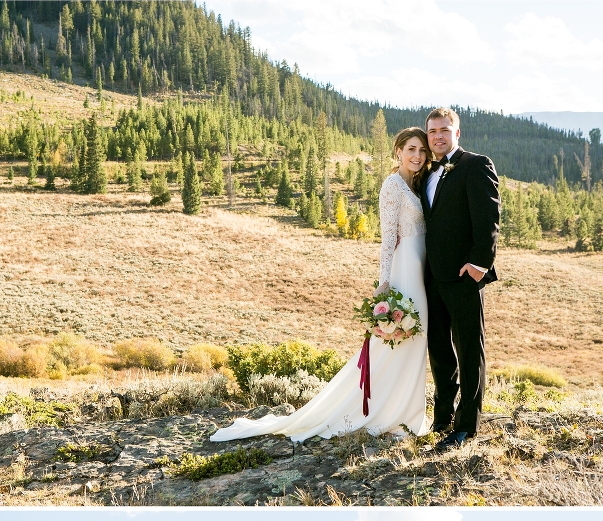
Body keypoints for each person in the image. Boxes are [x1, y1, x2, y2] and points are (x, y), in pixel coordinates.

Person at [209, 129, 432, 445]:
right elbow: (386, 239)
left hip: (422, 267)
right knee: (402, 339)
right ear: (398, 151)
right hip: (405, 268)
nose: (418, 156)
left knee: (415, 342)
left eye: (422, 150)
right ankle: (387, 415)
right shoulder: (393, 185)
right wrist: (384, 283)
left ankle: (406, 413)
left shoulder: (417, 183)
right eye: (411, 149)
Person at [421, 108, 500, 450]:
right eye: (432, 131)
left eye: (444, 130)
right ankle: (442, 420)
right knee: (439, 352)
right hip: (432, 278)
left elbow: (488, 218)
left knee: (469, 351)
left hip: (464, 277)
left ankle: (467, 426)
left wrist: (479, 265)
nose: (438, 136)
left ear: (457, 133)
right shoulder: (427, 173)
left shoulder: (475, 164)